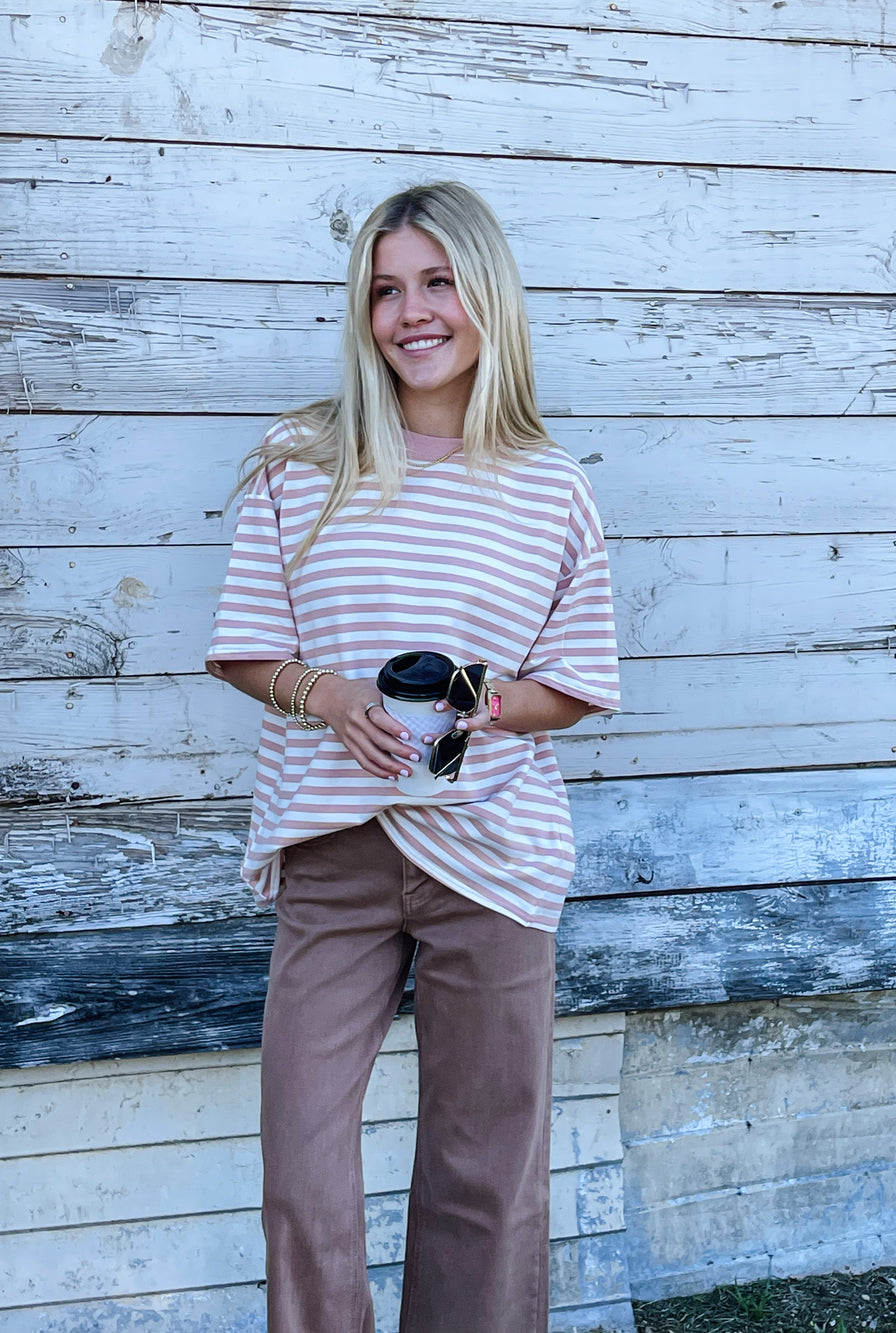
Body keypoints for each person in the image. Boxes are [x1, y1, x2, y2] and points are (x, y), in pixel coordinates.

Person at [205, 180, 620, 1333]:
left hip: (494, 855)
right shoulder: (302, 462)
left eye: (437, 282)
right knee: (301, 1165)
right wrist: (330, 694)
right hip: (331, 851)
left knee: (484, 1172)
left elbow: (575, 687)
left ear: (486, 295)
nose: (411, 311)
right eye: (385, 289)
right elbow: (243, 651)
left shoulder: (550, 487)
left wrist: (493, 702)